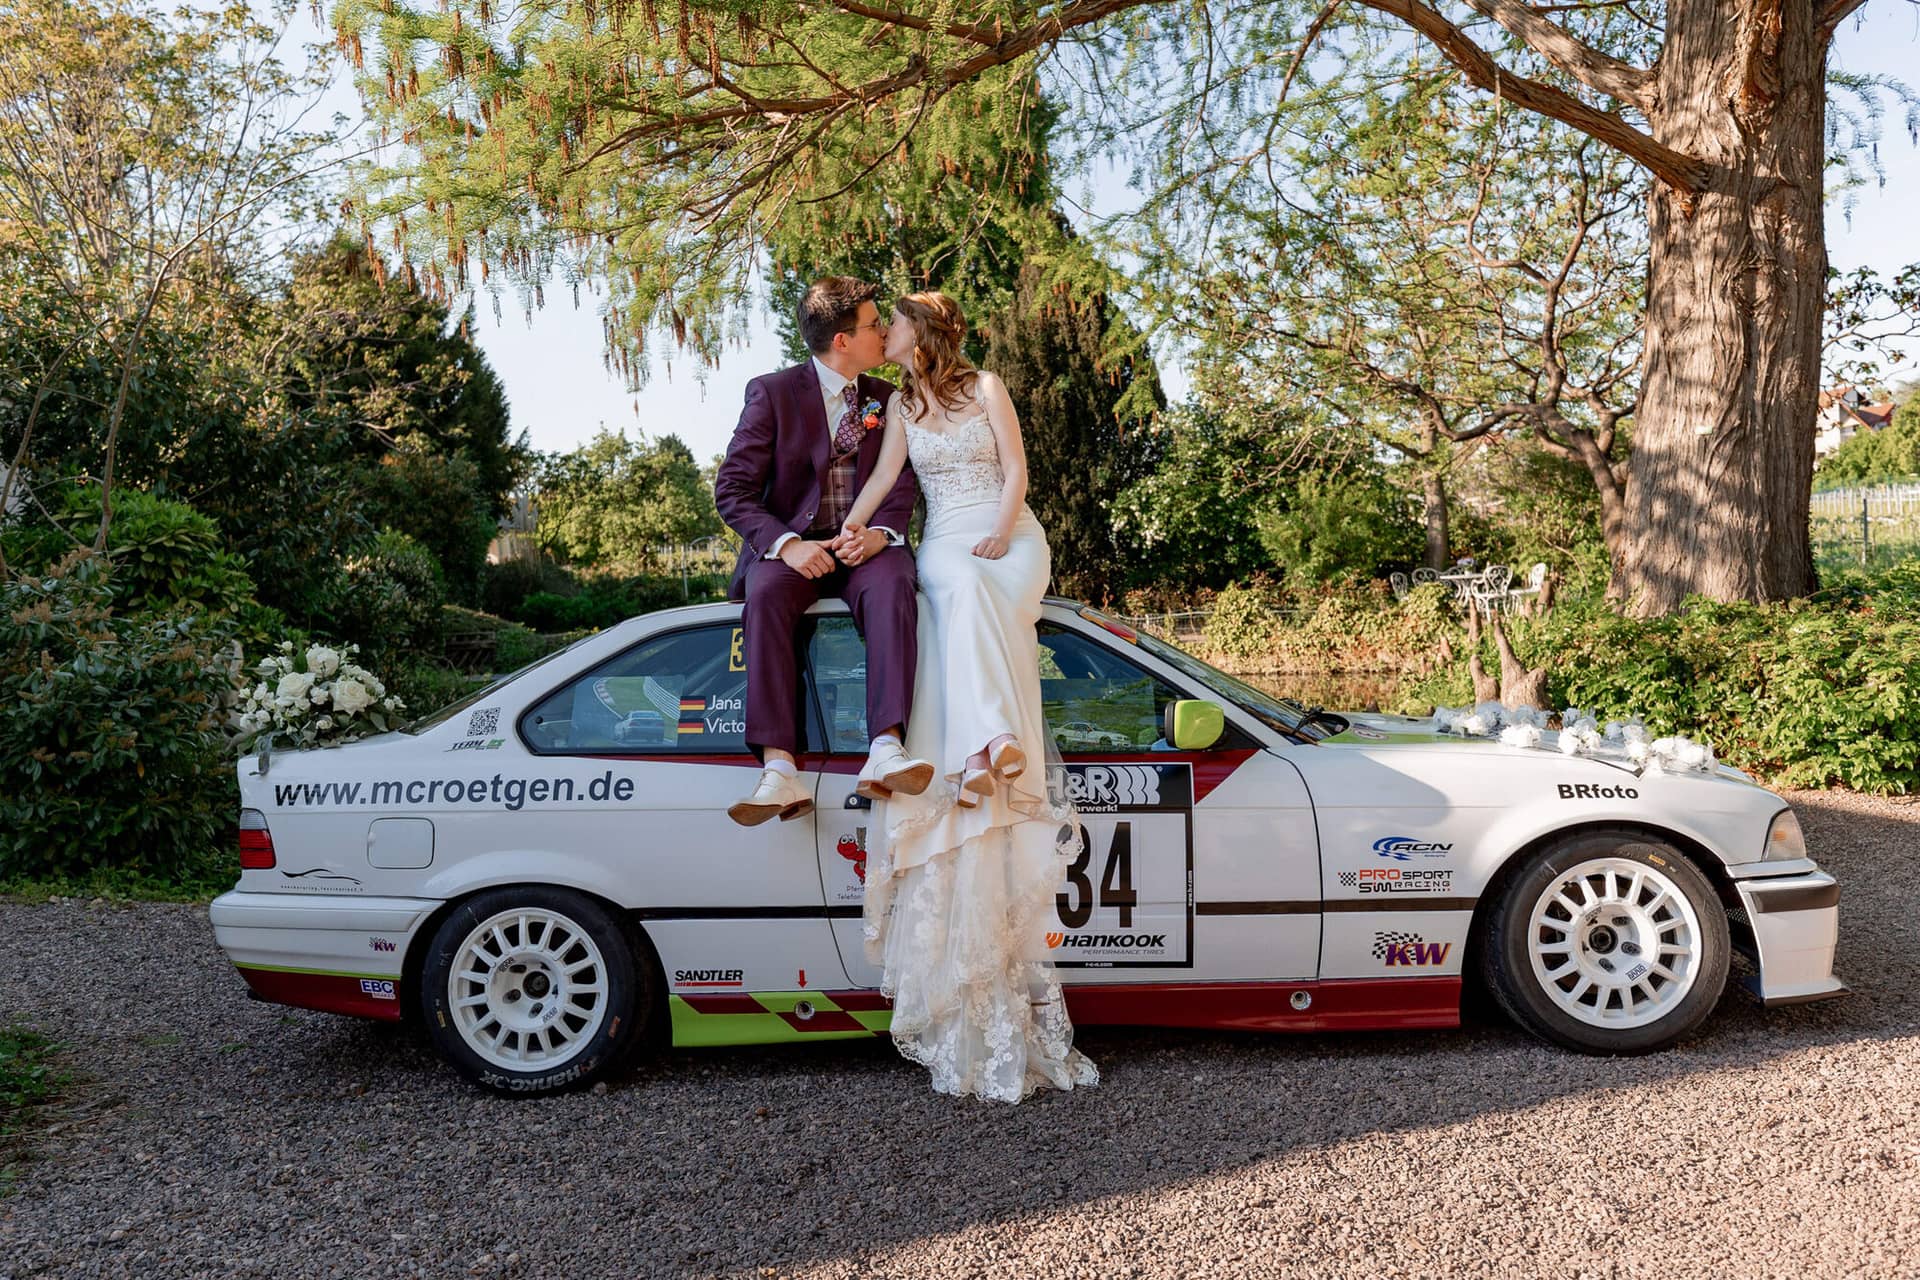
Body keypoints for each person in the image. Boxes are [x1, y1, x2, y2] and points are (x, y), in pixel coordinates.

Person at [842, 290, 1098, 1103]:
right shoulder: (899, 405)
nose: (887, 334)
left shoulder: (985, 386)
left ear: (927, 330)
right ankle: (994, 746)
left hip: (1010, 535)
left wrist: (1003, 527)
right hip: (948, 542)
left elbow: (1017, 469)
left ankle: (988, 750)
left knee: (981, 590)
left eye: (897, 323)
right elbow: (885, 481)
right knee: (954, 582)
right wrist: (846, 532)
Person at [712, 277, 935, 825]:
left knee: (892, 586)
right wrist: (785, 546)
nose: (883, 331)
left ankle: (885, 747)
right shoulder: (772, 393)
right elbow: (733, 492)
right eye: (872, 324)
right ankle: (779, 770)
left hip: (867, 549)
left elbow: (900, 479)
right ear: (841, 339)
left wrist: (881, 534)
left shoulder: (888, 399)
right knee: (763, 594)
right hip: (794, 552)